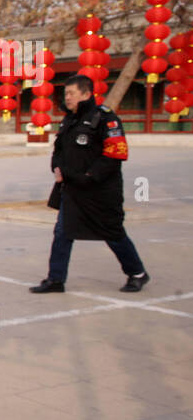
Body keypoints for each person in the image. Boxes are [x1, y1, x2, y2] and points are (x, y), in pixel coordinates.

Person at [30, 75, 150, 294]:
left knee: (112, 233)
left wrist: (88, 176)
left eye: (71, 93)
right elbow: (59, 151)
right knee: (62, 233)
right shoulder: (69, 120)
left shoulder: (105, 118)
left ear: (86, 94)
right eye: (65, 93)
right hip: (72, 191)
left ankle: (137, 273)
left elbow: (115, 154)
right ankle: (56, 279)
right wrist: (56, 168)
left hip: (100, 191)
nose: (67, 98)